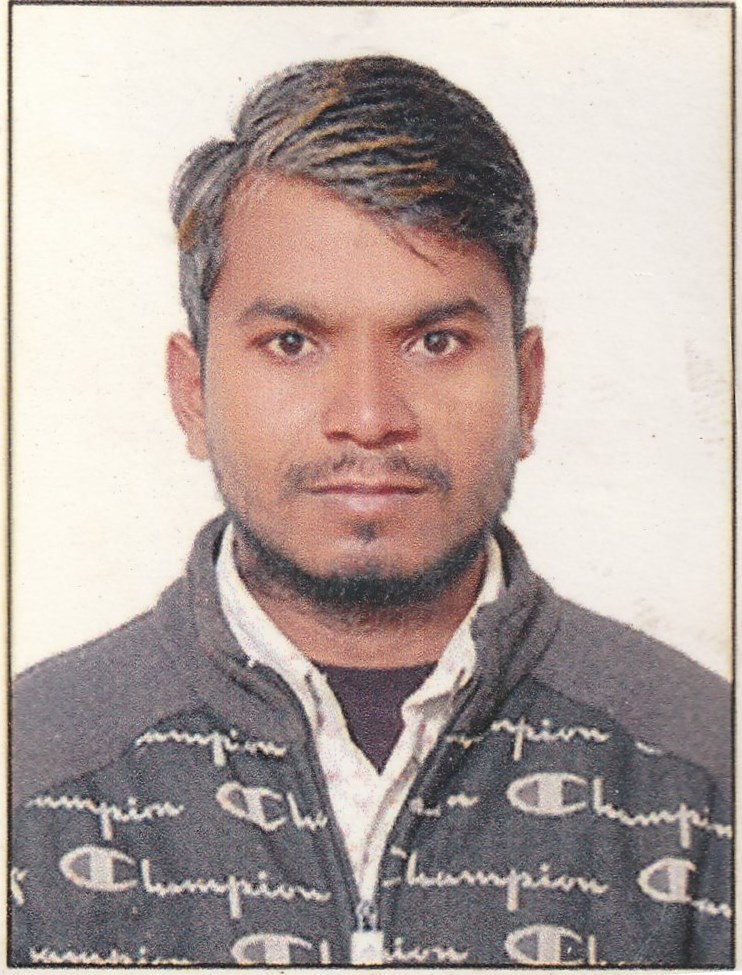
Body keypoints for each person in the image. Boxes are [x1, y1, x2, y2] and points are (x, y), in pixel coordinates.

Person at [11, 55, 731, 968]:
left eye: (435, 341)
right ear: (192, 393)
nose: (367, 415)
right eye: (292, 342)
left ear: (529, 387)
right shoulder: (28, 773)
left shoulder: (708, 769)